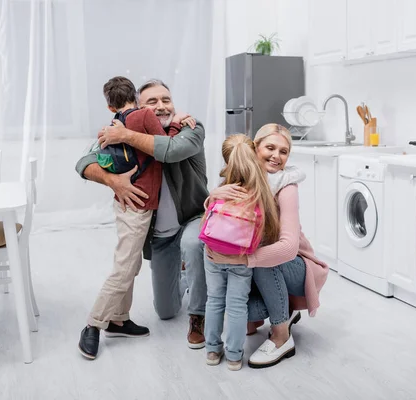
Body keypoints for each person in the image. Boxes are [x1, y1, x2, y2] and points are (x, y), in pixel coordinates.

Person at [75, 79, 209, 356]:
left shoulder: (190, 128)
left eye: (166, 100)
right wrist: (114, 181)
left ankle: (198, 314)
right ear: (138, 106)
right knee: (166, 311)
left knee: (193, 246)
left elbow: (171, 150)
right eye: (152, 102)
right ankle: (120, 319)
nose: (161, 106)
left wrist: (124, 135)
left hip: (190, 220)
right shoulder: (126, 127)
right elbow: (84, 162)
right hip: (158, 236)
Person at [206, 123, 329, 369]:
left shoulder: (286, 186)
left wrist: (240, 260)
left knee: (266, 259)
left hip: (295, 266)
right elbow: (221, 222)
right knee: (246, 313)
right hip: (259, 264)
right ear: (255, 148)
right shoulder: (241, 178)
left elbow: (287, 249)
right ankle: (287, 308)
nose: (276, 156)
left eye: (284, 151)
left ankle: (282, 336)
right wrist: (213, 198)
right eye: (270, 148)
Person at [201, 134, 281, 371]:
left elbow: (204, 224)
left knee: (214, 301)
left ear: (227, 160)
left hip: (213, 256)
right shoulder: (260, 192)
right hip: (241, 260)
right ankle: (235, 357)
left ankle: (212, 351)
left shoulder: (221, 190)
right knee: (237, 306)